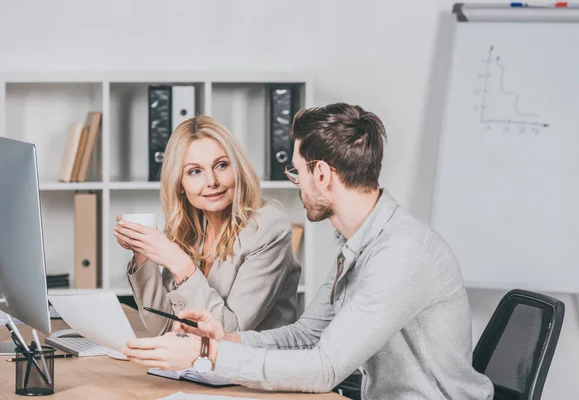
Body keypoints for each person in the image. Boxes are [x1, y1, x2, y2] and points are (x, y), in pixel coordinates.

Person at [122, 104, 494, 400]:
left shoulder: (400, 255)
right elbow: (305, 336)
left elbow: (324, 369)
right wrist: (225, 340)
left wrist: (207, 354)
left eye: (296, 171)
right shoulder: (358, 245)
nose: (296, 182)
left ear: (322, 175)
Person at [114, 115, 301, 336]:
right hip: (199, 365)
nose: (211, 181)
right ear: (179, 184)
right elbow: (162, 328)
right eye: (195, 171)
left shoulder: (268, 226)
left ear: (237, 169)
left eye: (221, 165)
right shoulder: (188, 232)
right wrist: (142, 251)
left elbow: (231, 332)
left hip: (251, 367)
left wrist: (178, 263)